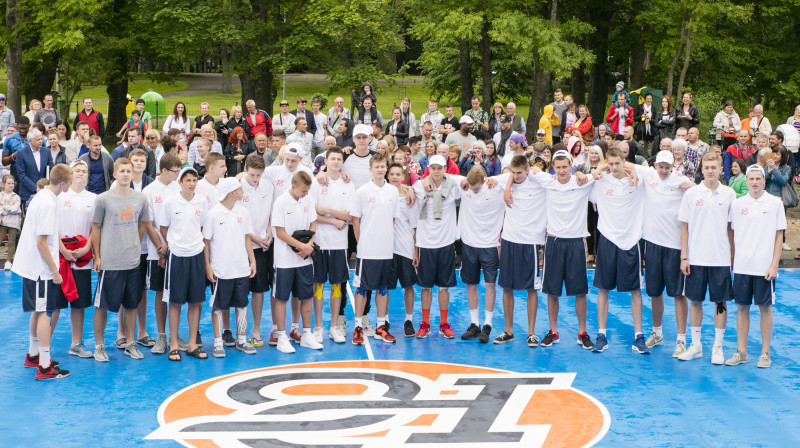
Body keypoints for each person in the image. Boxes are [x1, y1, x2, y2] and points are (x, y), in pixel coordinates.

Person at [510, 150, 593, 348]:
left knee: (580, 291)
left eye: (565, 167)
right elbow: (514, 172)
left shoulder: (583, 181)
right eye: (558, 167)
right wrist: (506, 187)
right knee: (552, 291)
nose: (562, 171)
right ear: (553, 168)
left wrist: (582, 174)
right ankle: (553, 331)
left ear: (571, 166)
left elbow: (605, 171)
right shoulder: (546, 180)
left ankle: (582, 332)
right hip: (553, 242)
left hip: (575, 243)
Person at [91, 157, 159, 362]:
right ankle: (99, 345)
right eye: (122, 171)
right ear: (114, 174)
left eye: (128, 171)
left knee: (131, 304)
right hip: (110, 261)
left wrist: (135, 245)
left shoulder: (140, 199)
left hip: (132, 261)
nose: (126, 174)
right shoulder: (103, 199)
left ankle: (130, 343)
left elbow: (142, 224)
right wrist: (97, 255)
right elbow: (96, 227)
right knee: (102, 305)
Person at [13, 164, 73, 379]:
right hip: (40, 270)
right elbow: (41, 242)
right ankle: (45, 367)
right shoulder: (48, 204)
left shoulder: (41, 196)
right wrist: (55, 271)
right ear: (63, 183)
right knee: (46, 313)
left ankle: (34, 355)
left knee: (38, 312)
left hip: (32, 268)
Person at [677, 151, 735, 364]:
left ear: (721, 169)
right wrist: (684, 257)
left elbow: (732, 229)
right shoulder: (691, 195)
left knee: (721, 302)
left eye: (714, 167)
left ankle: (717, 347)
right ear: (701, 169)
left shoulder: (729, 194)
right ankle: (696, 345)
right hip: (696, 258)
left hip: (720, 258)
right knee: (695, 301)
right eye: (707, 167)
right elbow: (685, 228)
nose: (710, 171)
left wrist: (732, 258)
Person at [589, 147, 648, 353]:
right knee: (603, 289)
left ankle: (639, 336)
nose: (614, 168)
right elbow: (579, 179)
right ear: (607, 162)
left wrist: (630, 169)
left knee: (635, 290)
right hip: (607, 239)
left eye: (618, 163)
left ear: (625, 161)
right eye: (610, 163)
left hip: (631, 241)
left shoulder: (638, 181)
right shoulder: (600, 182)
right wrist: (599, 169)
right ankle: (601, 334)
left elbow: (651, 171)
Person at [725, 165, 784, 368]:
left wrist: (774, 264)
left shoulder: (775, 204)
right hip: (742, 266)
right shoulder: (737, 204)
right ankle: (741, 352)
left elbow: (779, 235)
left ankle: (765, 353)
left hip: (764, 267)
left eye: (758, 179)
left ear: (764, 181)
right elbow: (730, 232)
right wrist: (732, 260)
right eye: (751, 179)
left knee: (765, 308)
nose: (755, 182)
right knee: (742, 308)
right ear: (746, 181)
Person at [202, 177, 257, 358]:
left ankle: (242, 340)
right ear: (231, 193)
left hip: (241, 268)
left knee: (242, 305)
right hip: (221, 270)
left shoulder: (244, 212)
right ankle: (218, 343)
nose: (243, 192)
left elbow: (246, 238)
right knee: (218, 306)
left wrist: (252, 261)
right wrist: (208, 267)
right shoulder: (213, 214)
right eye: (240, 189)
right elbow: (206, 243)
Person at [349, 154, 399, 344]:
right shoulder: (362, 191)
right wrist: (361, 242)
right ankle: (357, 327)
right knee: (362, 288)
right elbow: (355, 218)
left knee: (382, 288)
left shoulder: (392, 191)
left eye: (382, 166)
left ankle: (380, 327)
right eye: (376, 166)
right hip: (366, 251)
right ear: (370, 169)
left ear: (386, 168)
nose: (380, 169)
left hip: (386, 250)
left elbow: (392, 219)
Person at [160, 166, 208, 361]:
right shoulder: (170, 201)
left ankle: (192, 344)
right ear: (179, 182)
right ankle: (173, 344)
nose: (191, 184)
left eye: (194, 180)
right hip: (177, 256)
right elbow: (163, 228)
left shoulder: (202, 201)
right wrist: (174, 244)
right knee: (175, 301)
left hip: (196, 254)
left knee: (196, 301)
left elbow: (202, 226)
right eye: (187, 180)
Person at [412, 154, 462, 339]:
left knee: (444, 287)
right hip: (425, 243)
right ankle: (425, 323)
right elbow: (403, 189)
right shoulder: (418, 186)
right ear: (429, 169)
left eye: (439, 168)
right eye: (433, 168)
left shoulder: (454, 184)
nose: (436, 171)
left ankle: (443, 323)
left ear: (445, 169)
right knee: (425, 287)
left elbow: (474, 180)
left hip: (446, 243)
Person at [271, 170, 321, 353]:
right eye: (303, 191)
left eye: (308, 191)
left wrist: (309, 245)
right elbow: (280, 233)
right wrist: (302, 246)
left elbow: (312, 224)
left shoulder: (308, 199)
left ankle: (307, 334)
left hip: (304, 259)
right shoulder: (281, 202)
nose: (306, 194)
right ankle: (282, 337)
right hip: (284, 260)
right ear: (293, 186)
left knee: (306, 296)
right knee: (282, 297)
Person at [52, 160, 96, 359]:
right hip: (61, 258)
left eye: (84, 171)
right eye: (77, 171)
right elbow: (52, 227)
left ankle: (76, 343)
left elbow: (96, 227)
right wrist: (63, 250)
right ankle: (43, 345)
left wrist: (87, 248)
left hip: (82, 259)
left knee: (79, 304)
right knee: (55, 304)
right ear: (70, 174)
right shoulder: (59, 196)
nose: (81, 174)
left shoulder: (94, 198)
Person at [310, 147, 354, 344]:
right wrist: (334, 221)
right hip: (319, 243)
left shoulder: (348, 184)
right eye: (332, 159)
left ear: (342, 162)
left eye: (339, 159)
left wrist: (328, 210)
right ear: (325, 161)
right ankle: (318, 327)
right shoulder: (316, 183)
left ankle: (334, 327)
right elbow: (312, 214)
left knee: (337, 286)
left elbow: (350, 216)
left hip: (339, 244)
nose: (336, 162)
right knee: (318, 286)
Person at [140, 153, 182, 355]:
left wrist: (172, 244)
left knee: (176, 293)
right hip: (157, 252)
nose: (178, 174)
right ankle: (161, 335)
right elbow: (148, 223)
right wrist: (160, 246)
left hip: (178, 249)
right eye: (175, 171)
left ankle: (174, 335)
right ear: (164, 170)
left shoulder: (179, 187)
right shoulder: (149, 191)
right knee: (159, 292)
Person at [16, 128, 53, 208]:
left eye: (41, 139)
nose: (41, 141)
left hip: (45, 191)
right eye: (38, 139)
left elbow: (51, 169)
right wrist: (35, 188)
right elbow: (21, 175)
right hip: (28, 192)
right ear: (30, 141)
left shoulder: (46, 151)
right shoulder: (21, 153)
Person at [0, 175, 21, 270]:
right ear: (3, 184)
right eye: (9, 183)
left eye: (12, 183)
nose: (11, 185)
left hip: (13, 223)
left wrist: (6, 207)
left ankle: (8, 261)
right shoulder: (0, 195)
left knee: (11, 241)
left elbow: (15, 209)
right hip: (3, 222)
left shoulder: (16, 197)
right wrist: (4, 210)